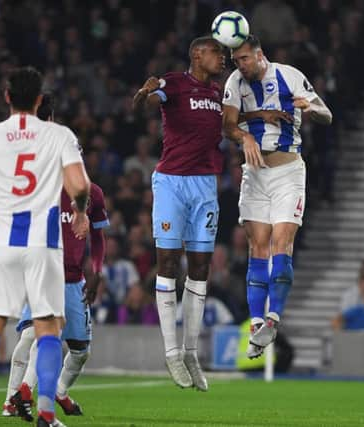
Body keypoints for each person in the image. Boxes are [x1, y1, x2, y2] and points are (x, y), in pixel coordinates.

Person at [0, 66, 90, 427]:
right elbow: (80, 186)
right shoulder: (59, 135)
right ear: (40, 99)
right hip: (43, 246)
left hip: (0, 245)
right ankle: (43, 410)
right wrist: (81, 210)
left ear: (7, 97)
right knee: (48, 329)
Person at [222, 35, 332, 359]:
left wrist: (310, 107)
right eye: (235, 60)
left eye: (243, 58)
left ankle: (273, 318)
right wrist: (245, 136)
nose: (239, 65)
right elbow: (226, 124)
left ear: (259, 54)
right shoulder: (235, 82)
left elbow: (327, 114)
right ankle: (257, 324)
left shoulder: (290, 75)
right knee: (257, 246)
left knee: (282, 242)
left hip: (288, 172)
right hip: (254, 174)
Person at [132, 36, 226, 391]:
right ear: (197, 55)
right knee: (168, 263)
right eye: (217, 52)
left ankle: (190, 352)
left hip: (205, 186)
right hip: (171, 184)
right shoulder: (173, 82)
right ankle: (171, 352)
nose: (223, 57)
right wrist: (146, 93)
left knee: (201, 267)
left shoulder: (218, 93)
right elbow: (149, 102)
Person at [2, 183, 108, 421]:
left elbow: (98, 236)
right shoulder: (42, 185)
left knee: (81, 352)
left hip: (74, 281)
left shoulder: (93, 193)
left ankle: (59, 392)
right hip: (44, 272)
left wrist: (97, 271)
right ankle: (16, 396)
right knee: (35, 335)